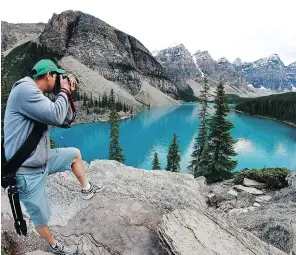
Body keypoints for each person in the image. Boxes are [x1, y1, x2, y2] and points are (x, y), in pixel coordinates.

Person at [3, 59, 94, 255]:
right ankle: (55, 245)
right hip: (28, 172)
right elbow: (55, 115)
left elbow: (65, 120)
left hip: (42, 160)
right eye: (58, 76)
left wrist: (67, 93)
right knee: (41, 217)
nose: (59, 80)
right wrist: (64, 91)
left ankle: (87, 189)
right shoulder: (25, 91)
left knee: (75, 155)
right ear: (48, 75)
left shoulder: (37, 96)